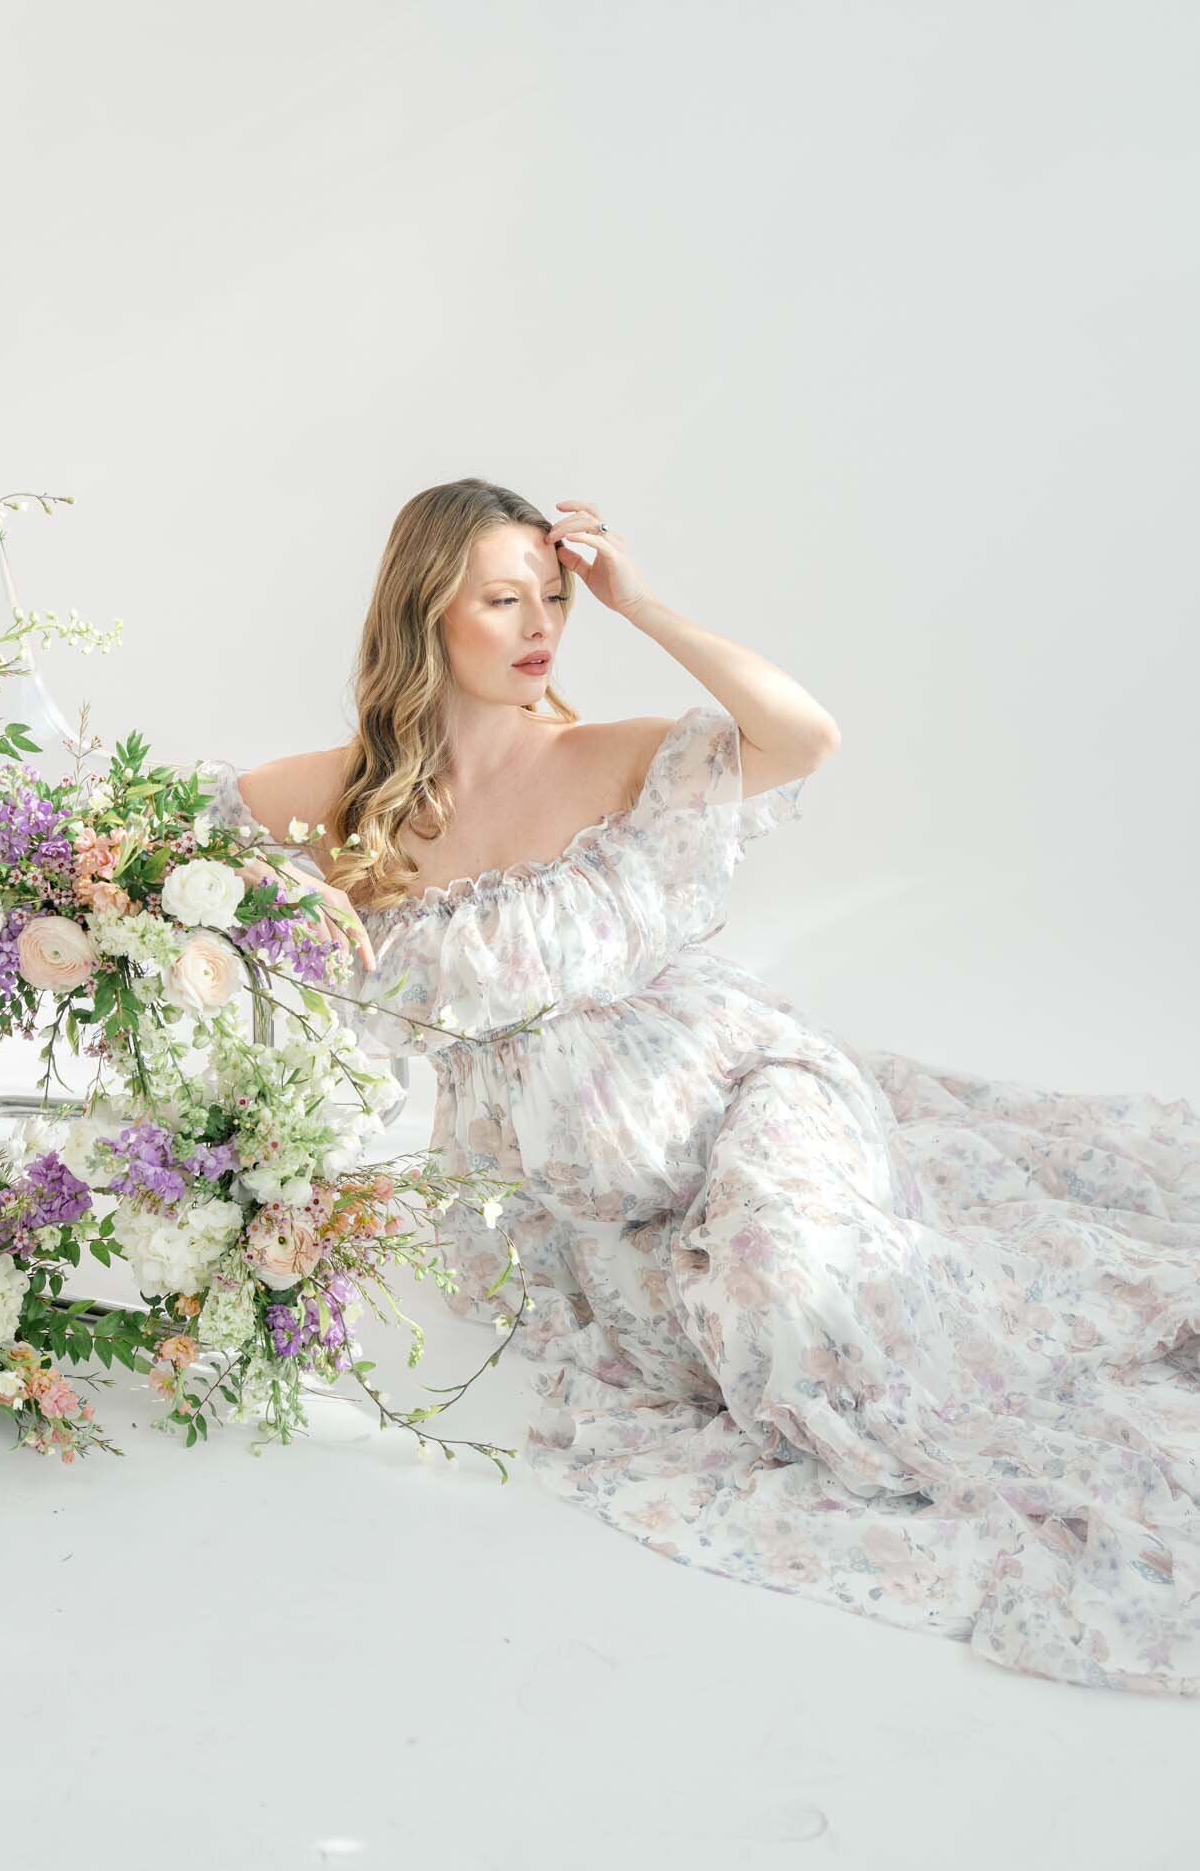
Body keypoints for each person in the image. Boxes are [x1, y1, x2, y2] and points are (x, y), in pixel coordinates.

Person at [201, 479, 1200, 1699]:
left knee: (805, 1319)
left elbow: (805, 736)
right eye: (504, 599)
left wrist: (643, 602)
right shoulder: (348, 799)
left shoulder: (605, 757)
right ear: (424, 611)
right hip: (583, 1209)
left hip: (745, 1094)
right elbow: (159, 839)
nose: (541, 625)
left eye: (554, 597)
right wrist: (255, 900)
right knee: (728, 1369)